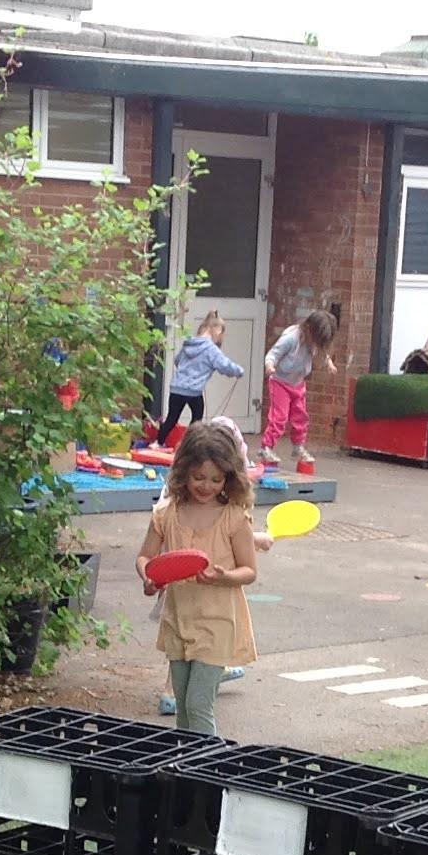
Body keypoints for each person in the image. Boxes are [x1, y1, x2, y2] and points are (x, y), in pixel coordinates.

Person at [136, 422, 258, 737]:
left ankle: (208, 764)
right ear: (183, 471)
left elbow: (249, 570)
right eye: (198, 477)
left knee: (199, 705)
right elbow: (145, 557)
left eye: (216, 479)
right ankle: (185, 762)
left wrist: (224, 576)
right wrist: (149, 577)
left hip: (217, 624)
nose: (207, 486)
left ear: (229, 477)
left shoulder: (234, 516)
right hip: (178, 619)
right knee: (183, 709)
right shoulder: (166, 513)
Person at [257, 308, 340, 474]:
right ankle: (266, 447)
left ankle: (298, 446)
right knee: (279, 417)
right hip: (280, 382)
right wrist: (270, 366)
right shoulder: (291, 338)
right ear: (308, 329)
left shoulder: (313, 342)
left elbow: (322, 352)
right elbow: (272, 354)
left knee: (300, 416)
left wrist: (329, 363)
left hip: (298, 383)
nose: (315, 344)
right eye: (316, 339)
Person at [154, 312, 246, 444]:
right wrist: (239, 371)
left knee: (171, 419)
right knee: (196, 422)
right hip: (194, 392)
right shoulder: (211, 349)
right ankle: (190, 444)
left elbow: (177, 361)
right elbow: (224, 365)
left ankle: (157, 443)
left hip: (177, 388)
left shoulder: (189, 344)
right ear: (217, 330)